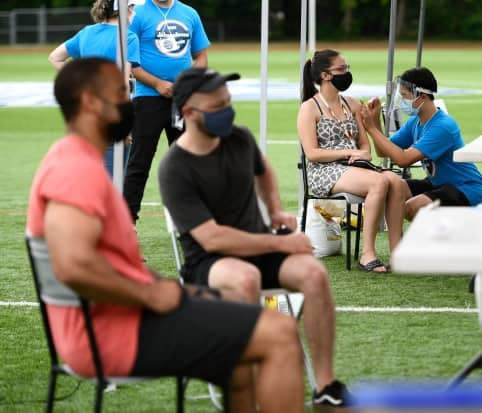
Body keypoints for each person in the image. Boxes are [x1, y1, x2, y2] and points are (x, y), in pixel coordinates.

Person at [27, 57, 304, 413]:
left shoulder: (75, 159)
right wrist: (150, 293)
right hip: (110, 333)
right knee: (277, 332)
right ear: (90, 103)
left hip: (121, 318)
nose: (132, 102)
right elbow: (73, 265)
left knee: (242, 351)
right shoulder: (74, 168)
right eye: (121, 93)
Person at [158, 67, 352, 408]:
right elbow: (213, 239)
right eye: (217, 106)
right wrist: (281, 241)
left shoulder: (239, 138)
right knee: (245, 278)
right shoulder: (175, 166)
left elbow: (264, 171)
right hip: (210, 261)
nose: (227, 112)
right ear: (189, 113)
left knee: (314, 274)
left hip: (259, 246)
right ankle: (250, 386)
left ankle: (325, 385)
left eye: (228, 102)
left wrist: (275, 210)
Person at [297, 49, 408, 273]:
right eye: (341, 69)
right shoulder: (309, 108)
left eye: (347, 68)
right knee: (378, 182)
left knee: (396, 181)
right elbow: (312, 153)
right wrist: (348, 154)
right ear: (325, 75)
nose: (346, 73)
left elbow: (364, 144)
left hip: (354, 167)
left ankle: (398, 254)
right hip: (324, 171)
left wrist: (363, 152)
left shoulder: (352, 104)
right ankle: (367, 254)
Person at [361, 66, 482, 220]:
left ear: (421, 97)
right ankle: (399, 241)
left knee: (411, 208)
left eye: (404, 96)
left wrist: (371, 129)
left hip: (466, 188)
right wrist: (375, 121)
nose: (400, 101)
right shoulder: (415, 121)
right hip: (439, 183)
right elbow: (384, 151)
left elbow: (403, 160)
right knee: (393, 187)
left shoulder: (443, 126)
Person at [123, 0, 210, 223]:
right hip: (148, 100)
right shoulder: (136, 14)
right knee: (139, 163)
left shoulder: (189, 13)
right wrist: (157, 84)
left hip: (183, 101)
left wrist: (189, 81)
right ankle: (126, 222)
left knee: (188, 162)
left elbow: (201, 56)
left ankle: (193, 222)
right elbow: (130, 62)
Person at [48, 0, 141, 177]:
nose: (134, 12)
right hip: (112, 113)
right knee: (112, 179)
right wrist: (126, 124)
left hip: (86, 115)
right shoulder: (128, 37)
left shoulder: (87, 33)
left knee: (88, 172)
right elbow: (123, 83)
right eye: (132, 7)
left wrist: (81, 83)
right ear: (123, 10)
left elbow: (55, 57)